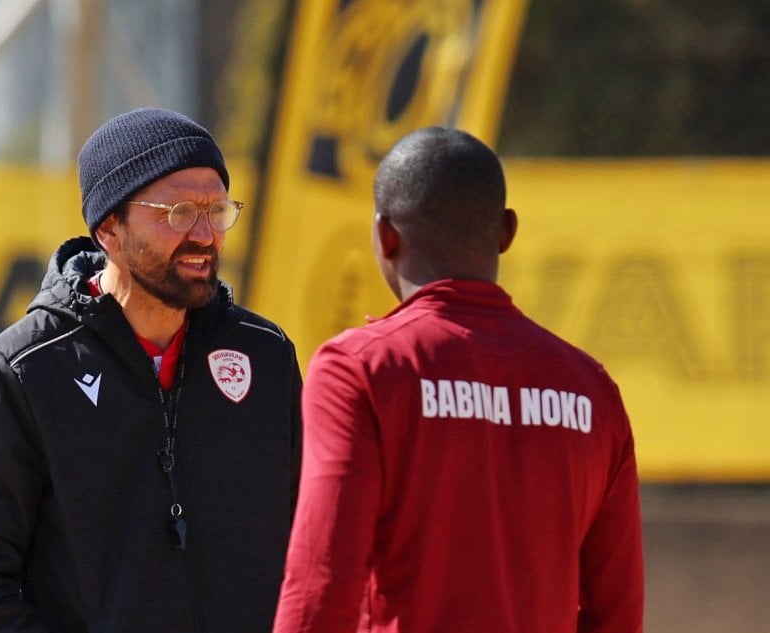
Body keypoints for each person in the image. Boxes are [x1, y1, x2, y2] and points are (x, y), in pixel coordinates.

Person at [0, 108, 302, 632]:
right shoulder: (18, 374)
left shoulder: (267, 356)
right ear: (109, 230)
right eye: (177, 213)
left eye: (216, 210)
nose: (204, 235)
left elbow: (313, 547)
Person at [273, 126, 643, 632]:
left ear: (385, 236)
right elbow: (616, 615)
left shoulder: (360, 370)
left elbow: (321, 589)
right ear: (507, 232)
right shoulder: (592, 391)